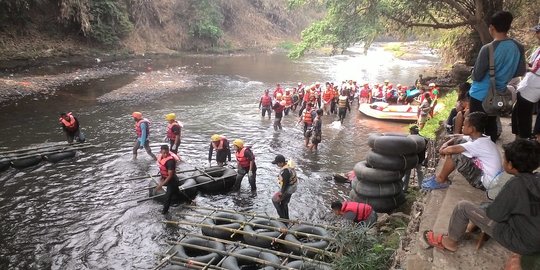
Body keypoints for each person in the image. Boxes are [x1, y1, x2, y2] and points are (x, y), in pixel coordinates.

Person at [421, 139, 540, 264]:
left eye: (504, 159)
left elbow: (495, 215)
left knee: (463, 207)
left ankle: (450, 242)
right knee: (488, 206)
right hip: (534, 237)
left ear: (510, 165)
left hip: (523, 243)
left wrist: (482, 212)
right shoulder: (536, 178)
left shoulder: (516, 185)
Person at [468, 11, 526, 142]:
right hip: (498, 94)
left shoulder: (488, 48)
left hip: (479, 95)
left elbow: (477, 76)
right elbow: (520, 71)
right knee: (491, 126)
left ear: (491, 27)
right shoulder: (518, 47)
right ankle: (490, 155)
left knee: (475, 130)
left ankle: (477, 160)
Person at [422, 112, 503, 191]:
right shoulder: (481, 138)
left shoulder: (478, 144)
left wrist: (442, 150)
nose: (462, 127)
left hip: (486, 183)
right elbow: (458, 137)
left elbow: (449, 150)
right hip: (492, 179)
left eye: (464, 125)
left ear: (472, 129)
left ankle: (440, 179)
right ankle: (443, 177)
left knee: (456, 154)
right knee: (460, 142)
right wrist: (445, 144)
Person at [513, 23, 540, 140]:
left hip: (533, 86)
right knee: (518, 112)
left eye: (537, 33)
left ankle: (525, 141)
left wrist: (526, 68)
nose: (536, 35)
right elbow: (532, 64)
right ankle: (520, 139)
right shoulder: (538, 48)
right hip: (528, 85)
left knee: (523, 116)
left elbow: (536, 69)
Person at [155, 145, 181, 214]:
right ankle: (189, 201)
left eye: (167, 153)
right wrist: (161, 179)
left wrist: (161, 185)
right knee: (177, 192)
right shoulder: (161, 158)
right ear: (161, 152)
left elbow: (170, 176)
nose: (165, 155)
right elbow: (162, 170)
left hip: (172, 181)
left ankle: (164, 212)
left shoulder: (170, 161)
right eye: (164, 153)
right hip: (167, 179)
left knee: (168, 196)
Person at [271, 154, 298, 220]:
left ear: (281, 163)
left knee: (275, 200)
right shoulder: (288, 166)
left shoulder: (285, 172)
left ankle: (282, 218)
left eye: (277, 163)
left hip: (288, 189)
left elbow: (285, 184)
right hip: (292, 187)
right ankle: (286, 218)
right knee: (284, 203)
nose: (277, 165)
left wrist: (281, 193)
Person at [402, 125, 427, 191]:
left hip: (409, 159)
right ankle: (421, 186)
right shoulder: (423, 139)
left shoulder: (408, 138)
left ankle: (404, 188)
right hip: (419, 159)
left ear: (411, 131)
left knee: (407, 173)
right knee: (419, 172)